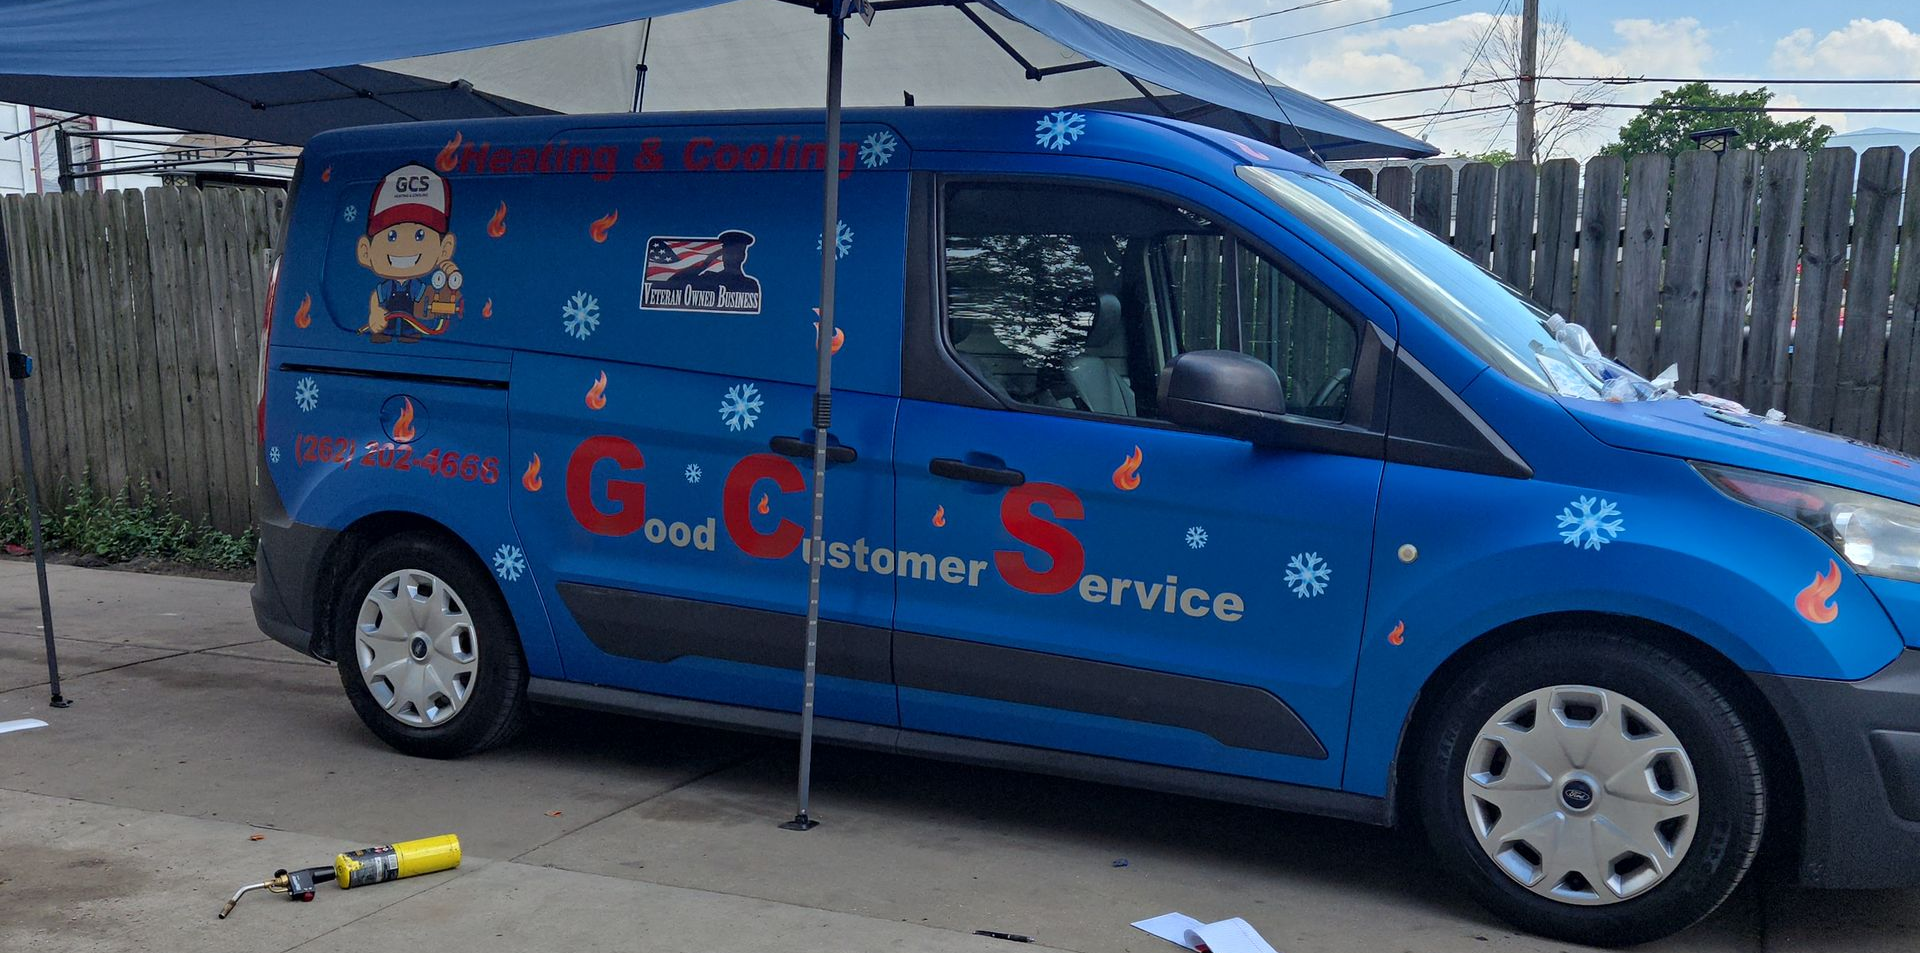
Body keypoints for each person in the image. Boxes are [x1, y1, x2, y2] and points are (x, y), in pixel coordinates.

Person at [355, 164, 461, 343]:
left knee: (409, 335)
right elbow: (376, 297)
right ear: (366, 251)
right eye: (391, 235)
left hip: (411, 327)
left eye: (420, 235)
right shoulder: (387, 287)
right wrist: (375, 312)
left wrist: (446, 294)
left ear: (445, 249)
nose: (405, 246)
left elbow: (425, 302)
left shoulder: (415, 287)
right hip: (386, 329)